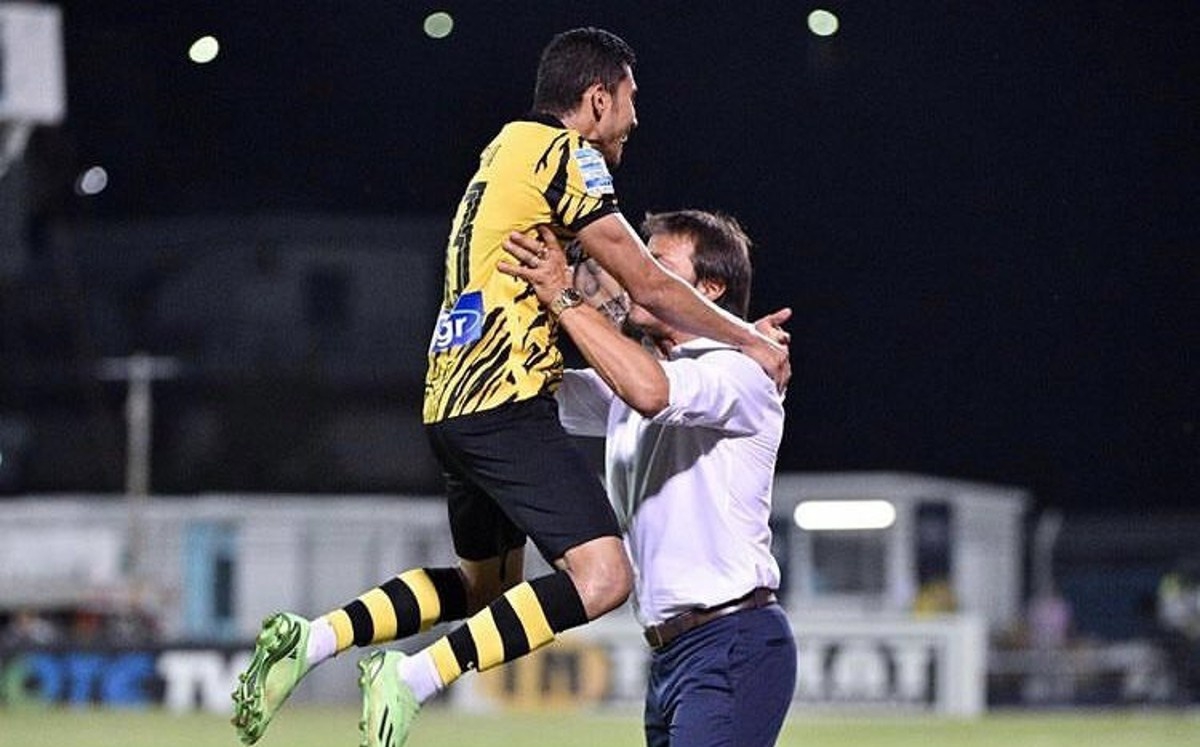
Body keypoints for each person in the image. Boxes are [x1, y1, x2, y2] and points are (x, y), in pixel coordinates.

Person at [231, 27, 789, 747]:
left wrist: (579, 298)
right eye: (629, 99)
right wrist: (751, 336)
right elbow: (643, 296)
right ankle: (412, 677)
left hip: (453, 396)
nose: (635, 118)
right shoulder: (566, 155)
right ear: (596, 99)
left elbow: (627, 360)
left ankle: (314, 639)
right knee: (602, 575)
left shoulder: (503, 153)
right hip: (504, 398)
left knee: (484, 588)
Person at [499, 211, 796, 747]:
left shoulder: (739, 370)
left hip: (731, 640)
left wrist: (564, 299)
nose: (636, 275)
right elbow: (532, 393)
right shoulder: (640, 372)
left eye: (655, 265)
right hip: (671, 653)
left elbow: (652, 393)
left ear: (709, 287)